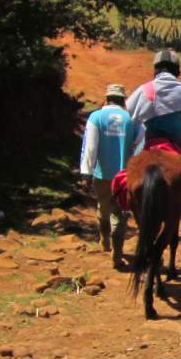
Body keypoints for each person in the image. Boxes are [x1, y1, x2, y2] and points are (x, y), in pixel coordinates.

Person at [126, 49, 181, 223]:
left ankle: (123, 199)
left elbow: (130, 113)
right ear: (176, 70)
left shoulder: (146, 88)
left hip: (150, 137)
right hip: (177, 137)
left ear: (156, 68)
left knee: (129, 165)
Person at [79, 83, 141, 265]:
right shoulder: (130, 119)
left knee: (103, 207)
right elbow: (138, 145)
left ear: (106, 99)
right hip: (124, 176)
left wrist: (86, 173)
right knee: (120, 213)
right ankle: (117, 252)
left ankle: (104, 239)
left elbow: (90, 147)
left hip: (101, 174)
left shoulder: (96, 117)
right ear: (123, 101)